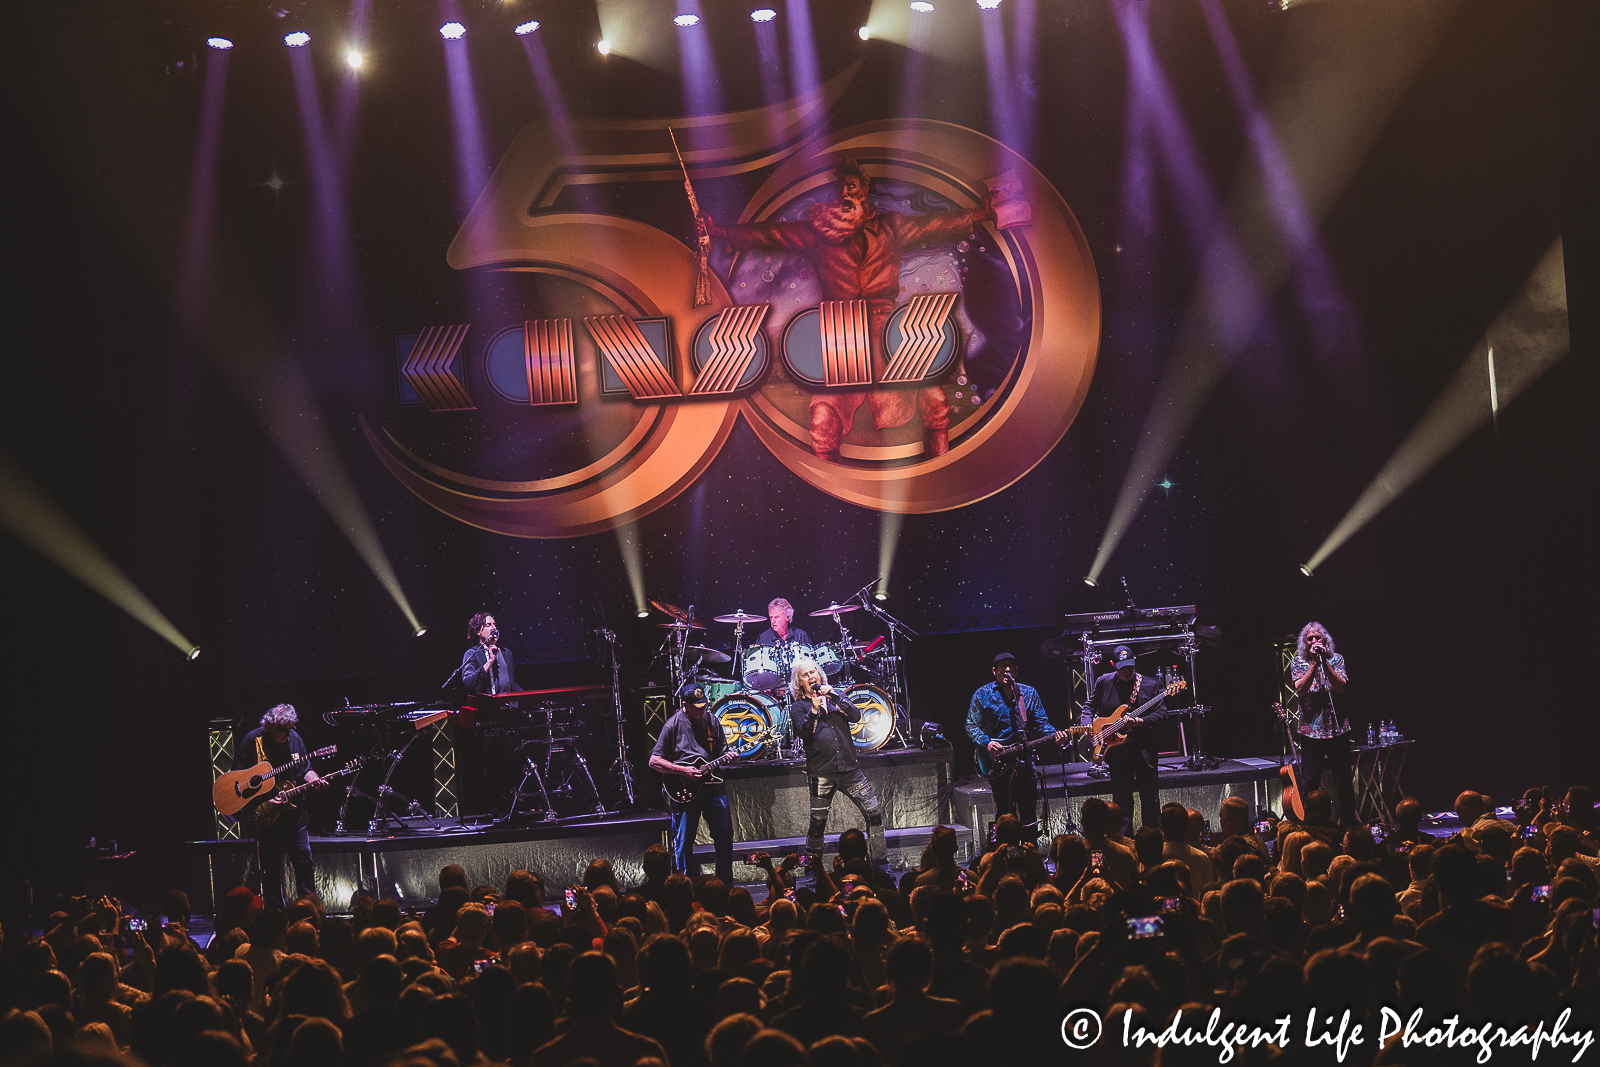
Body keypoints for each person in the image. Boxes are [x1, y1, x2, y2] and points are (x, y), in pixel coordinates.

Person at [703, 155, 999, 460]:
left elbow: (936, 225)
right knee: (822, 422)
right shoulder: (817, 234)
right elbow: (771, 235)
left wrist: (981, 213)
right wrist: (722, 232)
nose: (844, 193)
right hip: (843, 334)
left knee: (935, 404)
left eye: (852, 186)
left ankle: (940, 468)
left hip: (888, 329)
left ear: (863, 191)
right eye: (840, 188)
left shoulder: (891, 228)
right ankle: (827, 491)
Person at [787, 657, 886, 864]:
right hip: (822, 771)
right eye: (805, 675)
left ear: (819, 674)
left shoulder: (836, 696)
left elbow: (856, 715)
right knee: (817, 824)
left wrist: (833, 695)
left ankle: (880, 863)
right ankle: (813, 870)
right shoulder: (799, 707)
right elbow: (804, 732)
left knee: (874, 813)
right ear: (799, 682)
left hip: (850, 769)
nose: (810, 677)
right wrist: (814, 710)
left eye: (813, 672)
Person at [966, 653, 1075, 835]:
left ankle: (1029, 851)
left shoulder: (1028, 693)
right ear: (995, 671)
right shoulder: (982, 694)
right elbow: (970, 725)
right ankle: (1004, 854)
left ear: (1017, 670)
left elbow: (1041, 723)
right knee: (1004, 812)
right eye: (1002, 666)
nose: (1007, 669)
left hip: (1025, 760)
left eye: (1011, 665)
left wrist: (1055, 735)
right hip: (997, 761)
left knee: (1028, 812)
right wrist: (988, 743)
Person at [238, 704, 326, 908]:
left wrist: (316, 779)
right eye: (283, 730)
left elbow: (306, 769)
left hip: (294, 812)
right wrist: (262, 802)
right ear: (270, 726)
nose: (289, 733)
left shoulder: (294, 738)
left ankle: (310, 909)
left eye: (291, 728)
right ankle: (275, 912)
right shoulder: (252, 741)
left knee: (303, 859)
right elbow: (239, 781)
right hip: (267, 814)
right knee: (270, 865)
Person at [648, 681, 735, 885]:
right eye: (697, 707)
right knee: (684, 842)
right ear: (684, 705)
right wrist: (683, 770)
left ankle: (725, 884)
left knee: (724, 836)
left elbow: (722, 752)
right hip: (684, 789)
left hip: (713, 787)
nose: (702, 710)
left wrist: (729, 757)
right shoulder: (672, 724)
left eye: (704, 706)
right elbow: (654, 761)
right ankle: (684, 887)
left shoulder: (712, 721)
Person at [1081, 645, 1173, 835]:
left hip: (1142, 749)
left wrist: (1140, 721)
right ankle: (1123, 842)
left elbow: (1163, 714)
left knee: (1149, 799)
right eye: (1122, 667)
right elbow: (1088, 707)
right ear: (1113, 665)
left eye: (1130, 666)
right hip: (1116, 751)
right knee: (1121, 801)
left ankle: (1151, 839)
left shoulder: (1150, 685)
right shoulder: (1104, 682)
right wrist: (1088, 725)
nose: (1127, 670)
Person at [1289, 621, 1354, 825]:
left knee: (1343, 778)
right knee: (1310, 779)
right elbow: (1300, 688)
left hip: (1337, 728)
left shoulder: (1336, 659)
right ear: (1305, 643)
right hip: (1311, 731)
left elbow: (1341, 686)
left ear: (1325, 640)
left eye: (1318, 638)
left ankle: (1349, 824)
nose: (1315, 641)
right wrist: (1314, 665)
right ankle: (1311, 824)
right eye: (1311, 639)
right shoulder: (1298, 662)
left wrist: (1324, 661)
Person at [461, 611, 515, 695]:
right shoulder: (472, 654)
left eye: (494, 624)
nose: (493, 628)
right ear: (478, 631)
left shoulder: (506, 652)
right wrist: (489, 662)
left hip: (506, 704)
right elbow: (468, 683)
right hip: (485, 705)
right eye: (488, 625)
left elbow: (512, 683)